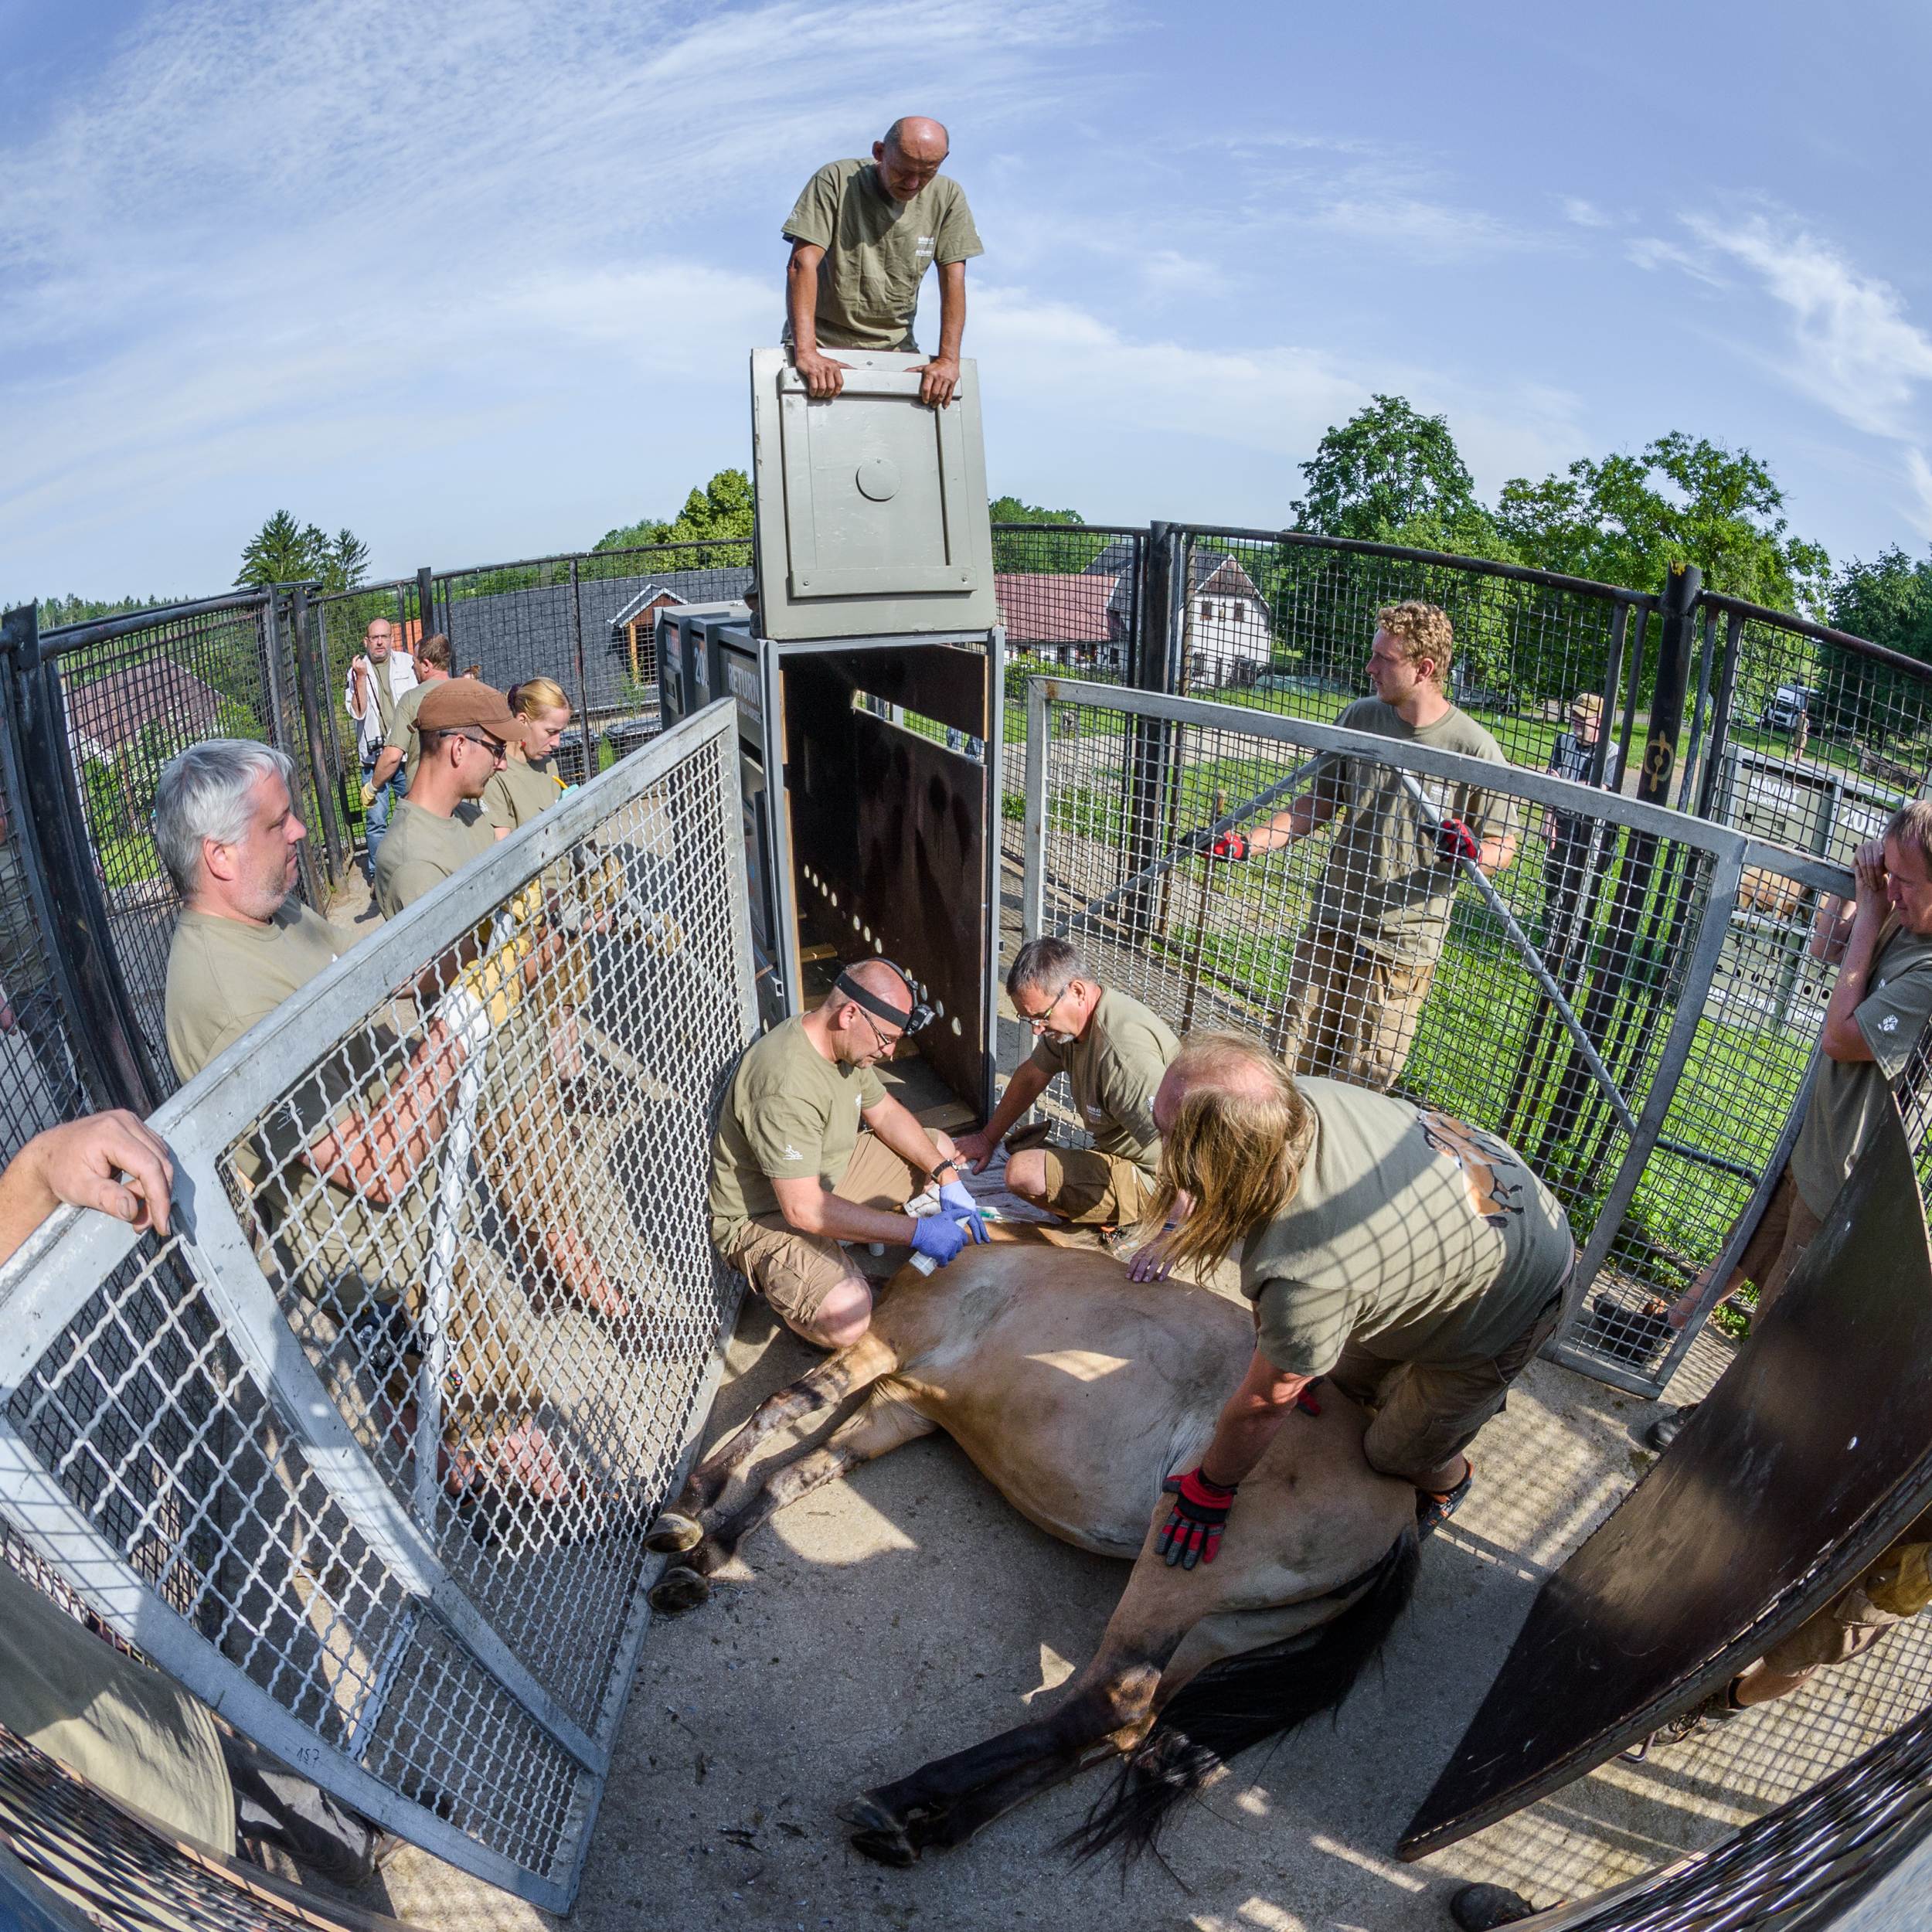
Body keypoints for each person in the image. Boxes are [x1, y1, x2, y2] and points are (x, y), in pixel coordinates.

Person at [155, 737, 566, 1505]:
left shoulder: (270, 912)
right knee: (501, 1424)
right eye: (278, 822)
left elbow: (375, 965)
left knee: (465, 1411)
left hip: (408, 1228)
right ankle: (544, 1512)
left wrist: (482, 943)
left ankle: (476, 1496)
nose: (301, 831)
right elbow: (377, 1166)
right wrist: (464, 1022)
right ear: (219, 855)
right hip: (371, 1261)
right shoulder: (226, 995)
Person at [0, 1110, 391, 1883]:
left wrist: (40, 1173)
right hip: (92, 1852)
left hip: (118, 1728)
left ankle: (342, 1834)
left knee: (248, 1798)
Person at [1130, 1033, 1573, 1563]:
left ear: (1220, 1155)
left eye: (1168, 1135)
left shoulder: (1309, 1264)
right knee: (1342, 1384)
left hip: (1519, 1290)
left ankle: (1449, 1483)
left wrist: (1212, 1487)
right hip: (1465, 1209)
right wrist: (1294, 1354)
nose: (1163, 1151)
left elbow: (1264, 1408)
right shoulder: (1290, 1104)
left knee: (1393, 1453)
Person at [1640, 801, 1932, 1446]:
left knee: (1780, 1312)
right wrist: (1857, 887)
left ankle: (1727, 1425)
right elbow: (1828, 948)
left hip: (1847, 1170)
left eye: (1906, 881)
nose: (1894, 891)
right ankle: (1660, 1327)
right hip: (1815, 1138)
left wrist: (1873, 912)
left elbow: (1840, 1038)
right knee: (1744, 1248)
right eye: (1890, 875)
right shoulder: (1905, 911)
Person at [372, 679, 626, 1315]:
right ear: (458, 748)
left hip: (516, 1021)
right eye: (494, 749)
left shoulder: (467, 817)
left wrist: (561, 917)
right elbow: (443, 973)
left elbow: (512, 904)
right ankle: (612, 1307)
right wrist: (554, 937)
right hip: (481, 1044)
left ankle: (547, 1279)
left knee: (543, 1165)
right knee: (539, 1174)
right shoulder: (413, 857)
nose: (503, 762)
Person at [1209, 602, 1518, 1092]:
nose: (1370, 667)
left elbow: (1504, 846)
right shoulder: (1360, 717)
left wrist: (1474, 851)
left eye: (1383, 659)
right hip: (1334, 924)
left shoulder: (1473, 748)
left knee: (1358, 1086)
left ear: (1424, 668)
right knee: (1288, 1071)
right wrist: (1248, 844)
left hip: (1402, 947)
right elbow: (1319, 802)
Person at [709, 960, 988, 1349]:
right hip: (767, 1214)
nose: (890, 1051)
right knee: (846, 1315)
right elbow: (804, 1210)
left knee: (937, 1147)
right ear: (849, 1014)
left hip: (825, 1173)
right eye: (886, 1038)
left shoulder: (840, 1045)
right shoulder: (785, 1084)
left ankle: (844, 1238)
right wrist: (918, 1232)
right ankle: (804, 1292)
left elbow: (885, 1113)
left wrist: (947, 1175)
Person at [1637, 1508, 1932, 1754]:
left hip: (1915, 1546)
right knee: (1748, 1544)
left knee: (1812, 1641)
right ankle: (1671, 1642)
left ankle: (1727, 1703)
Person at [954, 936, 1178, 1228]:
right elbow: (1032, 1076)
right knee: (1029, 1162)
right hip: (1127, 1156)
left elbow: (1179, 1153)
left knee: (1023, 1172)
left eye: (1041, 1017)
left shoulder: (1123, 1057)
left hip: (1161, 1178)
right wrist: (987, 1139)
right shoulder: (1073, 1025)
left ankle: (1145, 1220)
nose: (1037, 1030)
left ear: (1077, 991)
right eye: (1029, 1020)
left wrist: (1171, 1235)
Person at [782, 115, 982, 409]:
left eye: (927, 173)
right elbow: (802, 263)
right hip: (821, 345)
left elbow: (953, 277)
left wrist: (948, 360)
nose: (913, 183)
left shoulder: (948, 196)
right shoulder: (835, 179)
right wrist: (807, 353)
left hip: (896, 350)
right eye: (904, 170)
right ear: (880, 152)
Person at [1540, 691, 1621, 961]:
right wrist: (1549, 820)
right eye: (1574, 715)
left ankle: (1574, 962)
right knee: (1554, 890)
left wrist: (1562, 784)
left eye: (1582, 717)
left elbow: (1596, 791)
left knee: (1579, 896)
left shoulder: (1612, 753)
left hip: (1590, 833)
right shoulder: (1563, 742)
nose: (1576, 721)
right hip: (1562, 824)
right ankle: (1549, 953)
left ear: (1600, 721)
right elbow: (1551, 784)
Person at [342, 617, 418, 883]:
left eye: (384, 637)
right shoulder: (356, 671)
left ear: (391, 638)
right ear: (366, 641)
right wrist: (361, 678)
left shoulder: (408, 664)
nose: (379, 642)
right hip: (373, 760)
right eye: (374, 638)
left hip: (406, 755)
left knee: (412, 815)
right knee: (376, 821)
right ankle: (378, 876)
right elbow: (358, 712)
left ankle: (414, 865)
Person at [366, 631, 459, 802]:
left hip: (426, 794)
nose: (412, 667)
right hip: (463, 788)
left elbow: (393, 757)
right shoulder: (468, 692)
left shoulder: (411, 699)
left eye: (414, 662)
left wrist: (371, 788)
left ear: (426, 665)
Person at [484, 677, 575, 835]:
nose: (557, 743)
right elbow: (501, 846)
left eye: (561, 732)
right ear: (522, 721)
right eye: (551, 732)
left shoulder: (549, 766)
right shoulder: (494, 775)